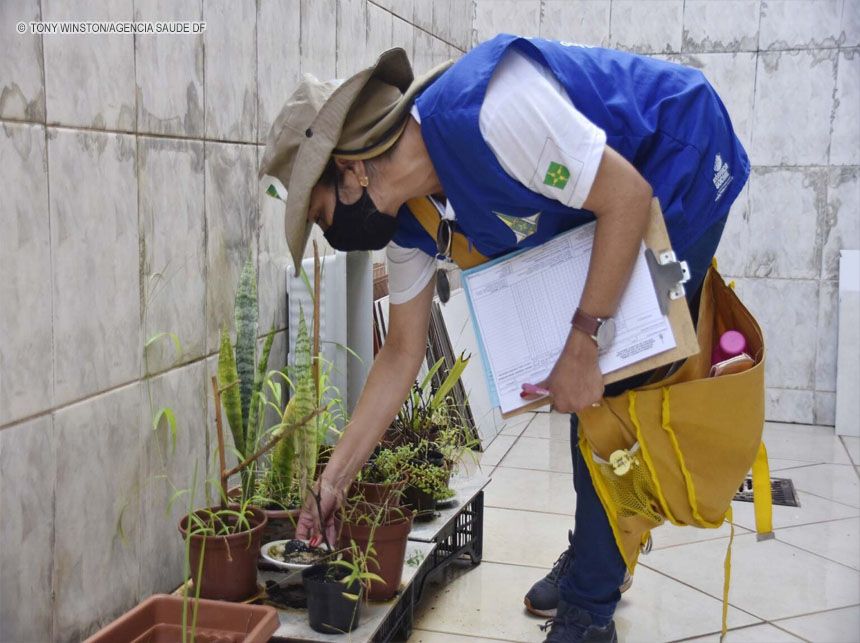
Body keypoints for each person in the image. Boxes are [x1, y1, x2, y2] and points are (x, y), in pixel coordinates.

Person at [258, 33, 749, 643]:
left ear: (352, 169)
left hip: (680, 162)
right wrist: (331, 482)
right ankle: (598, 562)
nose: (331, 232)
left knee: (612, 390)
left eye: (322, 212)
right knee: (584, 389)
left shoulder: (493, 113)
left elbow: (626, 198)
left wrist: (583, 339)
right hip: (613, 198)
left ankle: (589, 610)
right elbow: (401, 352)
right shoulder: (409, 216)